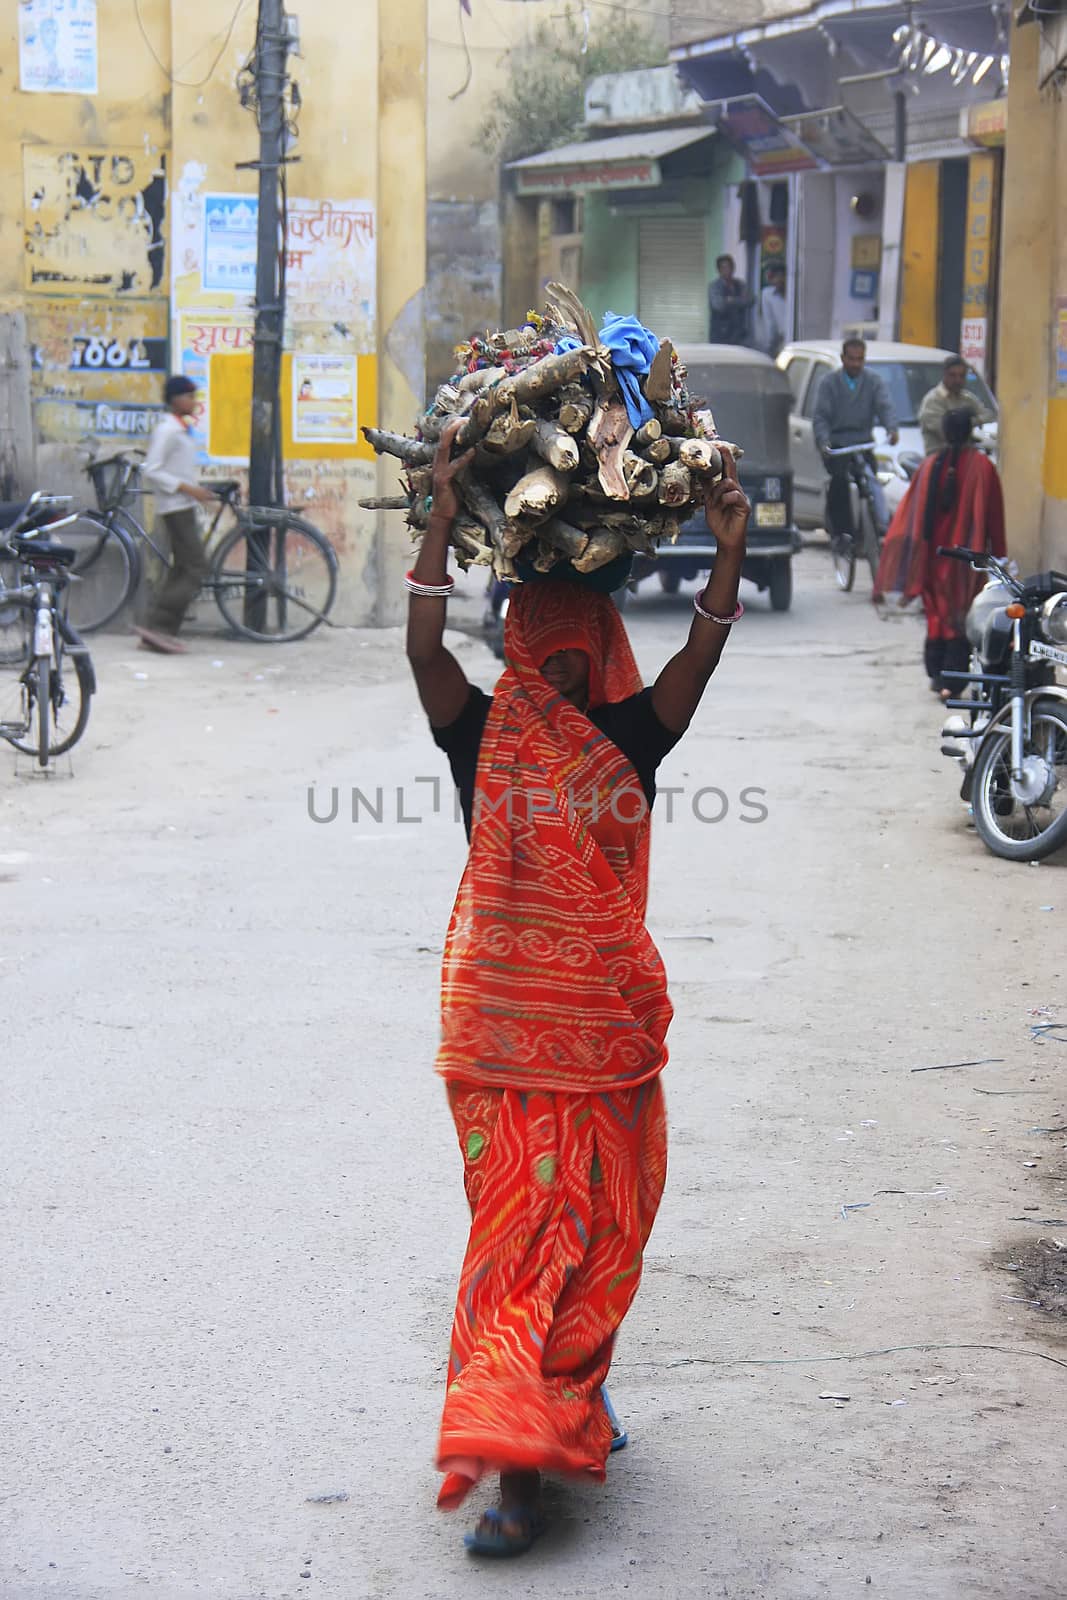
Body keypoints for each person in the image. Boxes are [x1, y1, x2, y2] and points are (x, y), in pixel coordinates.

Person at [406, 417, 750, 1557]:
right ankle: (513, 1467)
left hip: (594, 1037)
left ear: (595, 651)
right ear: (514, 645)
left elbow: (693, 668)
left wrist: (727, 553)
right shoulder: (486, 734)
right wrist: (442, 523)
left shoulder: (619, 737)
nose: (551, 666)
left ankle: (565, 1396)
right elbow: (422, 658)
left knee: (594, 1236)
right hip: (507, 1036)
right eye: (534, 645)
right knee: (518, 1240)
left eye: (569, 648)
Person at [874, 407, 1006, 698]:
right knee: (960, 619)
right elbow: (994, 517)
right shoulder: (983, 467)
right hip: (966, 562)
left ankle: (938, 675)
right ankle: (953, 680)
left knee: (936, 616)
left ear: (944, 432)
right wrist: (1000, 556)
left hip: (933, 558)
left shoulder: (929, 465)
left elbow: (910, 514)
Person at [134, 375, 218, 655]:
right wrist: (187, 489)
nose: (194, 402)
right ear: (175, 400)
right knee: (195, 567)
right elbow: (152, 469)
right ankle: (160, 629)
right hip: (174, 507)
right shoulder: (167, 430)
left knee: (183, 568)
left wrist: (195, 491)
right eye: (189, 396)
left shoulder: (180, 430)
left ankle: (155, 628)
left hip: (183, 505)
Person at [813, 338, 899, 545]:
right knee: (840, 480)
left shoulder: (873, 381)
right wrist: (823, 441)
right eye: (851, 359)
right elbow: (821, 417)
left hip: (862, 441)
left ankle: (876, 526)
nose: (856, 364)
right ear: (843, 358)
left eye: (860, 359)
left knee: (871, 479)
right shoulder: (829, 383)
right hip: (838, 444)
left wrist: (892, 429)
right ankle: (841, 533)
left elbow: (884, 406)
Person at [918, 355, 994, 455]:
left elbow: (988, 416)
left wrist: (969, 422)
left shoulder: (967, 398)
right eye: (952, 375)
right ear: (944, 374)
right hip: (939, 461)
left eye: (961, 376)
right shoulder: (933, 400)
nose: (957, 380)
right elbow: (949, 432)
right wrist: (969, 423)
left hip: (965, 459)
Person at [708, 254, 754, 345]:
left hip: (739, 335)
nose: (727, 270)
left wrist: (731, 300)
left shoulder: (740, 284)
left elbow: (751, 300)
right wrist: (739, 300)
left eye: (730, 267)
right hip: (720, 335)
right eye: (724, 268)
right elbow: (718, 305)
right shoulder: (714, 286)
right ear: (719, 270)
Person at [758, 264, 788, 358]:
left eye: (781, 276)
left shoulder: (793, 293)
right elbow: (769, 322)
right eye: (775, 277)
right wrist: (770, 346)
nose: (779, 280)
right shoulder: (768, 294)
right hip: (779, 342)